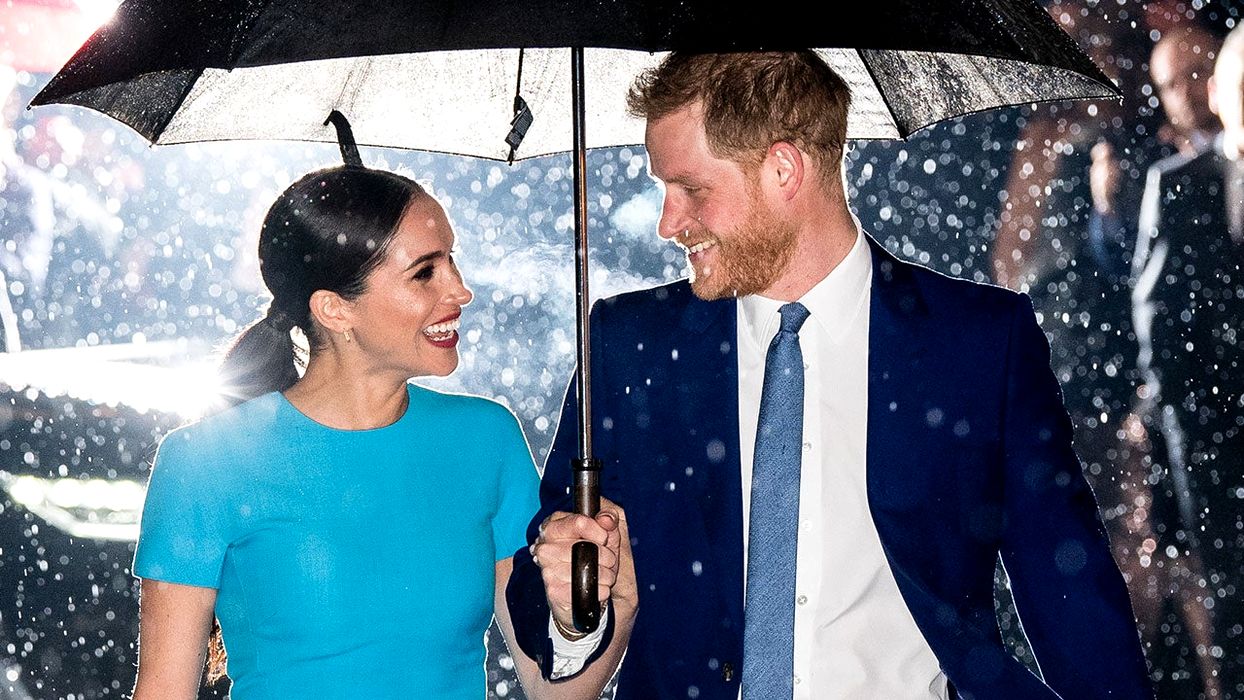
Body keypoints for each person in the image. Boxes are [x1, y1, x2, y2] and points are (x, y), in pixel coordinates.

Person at [506, 51, 1151, 699]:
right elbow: (547, 593)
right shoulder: (629, 344)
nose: (668, 223)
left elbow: (1069, 588)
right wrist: (569, 612)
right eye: (662, 190)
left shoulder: (978, 343)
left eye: (692, 190)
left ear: (784, 170)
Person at [129, 165, 636, 699]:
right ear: (334, 309)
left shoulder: (487, 439)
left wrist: (614, 601)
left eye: (452, 261)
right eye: (425, 273)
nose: (460, 290)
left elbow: (553, 690)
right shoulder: (204, 462)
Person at [1132, 24, 1244, 698]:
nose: (1189, 94)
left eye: (1196, 74)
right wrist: (1192, 428)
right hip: (1215, 438)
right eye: (1172, 84)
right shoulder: (1175, 181)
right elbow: (1158, 322)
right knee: (1230, 599)